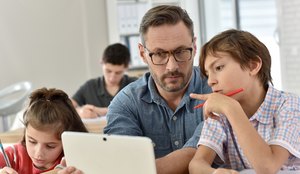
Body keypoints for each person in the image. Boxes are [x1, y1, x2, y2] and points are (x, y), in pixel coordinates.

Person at [103, 5, 211, 174]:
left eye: (181, 51)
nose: (172, 66)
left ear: (194, 46)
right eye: (159, 54)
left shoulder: (217, 89)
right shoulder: (125, 104)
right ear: (142, 53)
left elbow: (204, 149)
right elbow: (123, 161)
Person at [189, 29, 300, 174]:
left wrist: (232, 109)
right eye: (208, 74)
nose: (210, 81)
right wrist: (213, 173)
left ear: (253, 66)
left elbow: (267, 167)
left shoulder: (290, 105)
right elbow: (196, 165)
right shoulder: (220, 113)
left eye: (218, 67)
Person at [0, 88, 87, 174]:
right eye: (32, 141)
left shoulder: (70, 160)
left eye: (50, 146)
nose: (39, 153)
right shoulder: (14, 154)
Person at [71, 43, 138, 118]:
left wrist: (99, 111)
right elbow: (66, 107)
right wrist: (80, 111)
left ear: (127, 68)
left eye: (118, 73)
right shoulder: (90, 86)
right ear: (101, 63)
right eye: (108, 71)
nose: (112, 78)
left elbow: (142, 110)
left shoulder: (135, 85)